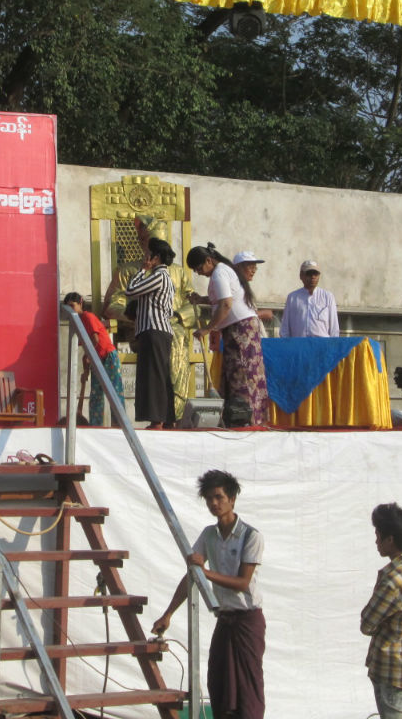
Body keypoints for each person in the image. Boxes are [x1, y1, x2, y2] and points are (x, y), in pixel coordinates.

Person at [152, 469, 264, 719]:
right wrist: (168, 613)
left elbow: (242, 583)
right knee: (219, 682)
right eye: (209, 499)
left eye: (219, 497)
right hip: (224, 618)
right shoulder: (209, 534)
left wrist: (205, 572)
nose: (214, 504)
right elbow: (191, 574)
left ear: (232, 499)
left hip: (247, 619)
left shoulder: (251, 536)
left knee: (248, 687)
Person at [104, 216, 197, 421]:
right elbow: (115, 301)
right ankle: (164, 416)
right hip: (141, 326)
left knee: (176, 349)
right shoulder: (128, 270)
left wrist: (180, 316)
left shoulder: (173, 273)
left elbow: (191, 303)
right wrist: (130, 315)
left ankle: (169, 415)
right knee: (159, 368)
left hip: (166, 327)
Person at [187, 244, 269, 427]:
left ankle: (249, 420)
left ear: (209, 260)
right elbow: (219, 299)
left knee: (244, 377)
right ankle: (241, 418)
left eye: (199, 268)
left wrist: (208, 328)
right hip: (235, 330)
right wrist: (201, 300)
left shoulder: (220, 273)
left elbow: (226, 304)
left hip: (241, 331)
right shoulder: (221, 272)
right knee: (235, 375)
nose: (199, 273)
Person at [360, 502, 402, 719]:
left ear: (390, 539)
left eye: (378, 535)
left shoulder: (393, 580)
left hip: (391, 669)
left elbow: (367, 623)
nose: (376, 541)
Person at [124, 236, 177, 429]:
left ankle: (158, 420)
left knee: (154, 375)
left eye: (148, 253)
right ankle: (166, 418)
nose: (145, 256)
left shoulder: (158, 276)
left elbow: (130, 291)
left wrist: (142, 270)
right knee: (160, 374)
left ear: (155, 257)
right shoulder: (168, 279)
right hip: (160, 330)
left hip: (153, 330)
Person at [63, 292, 123, 426]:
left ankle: (118, 424)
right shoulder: (77, 323)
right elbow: (87, 349)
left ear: (80, 303)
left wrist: (89, 358)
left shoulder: (87, 316)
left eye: (73, 306)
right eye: (68, 308)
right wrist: (85, 371)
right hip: (96, 358)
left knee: (114, 391)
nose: (71, 310)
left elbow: (95, 340)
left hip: (108, 356)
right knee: (96, 395)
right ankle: (96, 425)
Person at [281, 259, 339, 338]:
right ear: (301, 276)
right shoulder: (293, 298)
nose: (313, 277)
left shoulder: (327, 297)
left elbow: (334, 329)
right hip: (299, 346)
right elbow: (285, 328)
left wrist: (333, 347)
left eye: (315, 274)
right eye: (309, 273)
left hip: (321, 346)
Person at [231, 251, 275, 324]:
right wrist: (263, 313)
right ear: (238, 268)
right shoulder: (234, 287)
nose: (253, 271)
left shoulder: (243, 286)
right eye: (251, 267)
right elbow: (239, 314)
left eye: (255, 268)